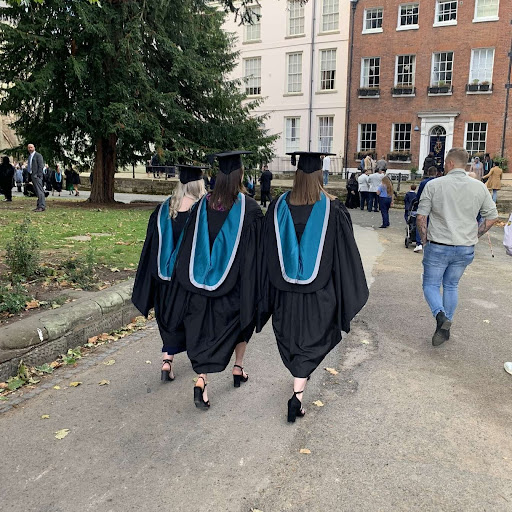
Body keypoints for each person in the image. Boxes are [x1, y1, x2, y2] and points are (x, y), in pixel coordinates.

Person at [258, 151, 369, 422]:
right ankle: (296, 397)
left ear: (297, 175)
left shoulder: (278, 206)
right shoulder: (333, 209)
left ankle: (297, 388)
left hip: (284, 293)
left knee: (292, 340)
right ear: (320, 175)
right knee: (312, 342)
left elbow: (265, 251)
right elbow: (344, 257)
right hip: (320, 294)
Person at [163, 151, 262, 409]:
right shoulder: (249, 208)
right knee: (241, 324)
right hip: (233, 289)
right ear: (240, 175)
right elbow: (256, 255)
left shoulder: (201, 206)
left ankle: (202, 380)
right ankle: (238, 367)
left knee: (205, 330)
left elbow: (186, 247)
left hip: (200, 286)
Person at [416, 148, 498, 347]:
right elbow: (492, 217)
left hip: (438, 244)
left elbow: (421, 217)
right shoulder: (479, 187)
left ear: (450, 163)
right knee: (451, 285)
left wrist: (424, 240)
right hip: (465, 246)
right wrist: (476, 235)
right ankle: (445, 328)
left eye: (445, 163)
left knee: (431, 285)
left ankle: (440, 316)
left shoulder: (434, 185)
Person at [132, 165, 207, 383]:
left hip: (164, 279)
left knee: (169, 321)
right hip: (189, 279)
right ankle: (201, 371)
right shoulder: (202, 210)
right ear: (199, 185)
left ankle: (167, 361)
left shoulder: (164, 208)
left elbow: (152, 245)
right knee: (193, 320)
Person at [413, 166, 438, 253]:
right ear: (436, 173)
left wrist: (417, 202)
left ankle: (419, 243)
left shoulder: (424, 182)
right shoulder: (439, 182)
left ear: (428, 173)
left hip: (425, 204)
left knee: (421, 222)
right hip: (436, 205)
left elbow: (419, 195)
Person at [27, 143, 45, 211]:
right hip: (32, 175)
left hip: (37, 176)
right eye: (29, 148)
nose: (30, 149)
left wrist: (38, 175)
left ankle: (41, 206)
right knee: (37, 191)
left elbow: (41, 166)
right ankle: (39, 205)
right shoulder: (30, 156)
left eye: (31, 147)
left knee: (40, 191)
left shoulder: (38, 155)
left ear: (34, 148)